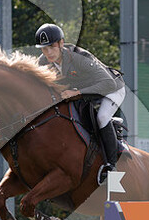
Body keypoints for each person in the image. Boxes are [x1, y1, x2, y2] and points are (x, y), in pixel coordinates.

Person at [34, 23, 125, 177]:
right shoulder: (42, 62)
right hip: (84, 93)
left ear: (61, 43)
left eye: (52, 47)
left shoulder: (80, 57)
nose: (48, 52)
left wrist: (76, 92)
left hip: (112, 88)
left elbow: (108, 83)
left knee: (102, 117)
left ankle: (112, 167)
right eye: (44, 48)